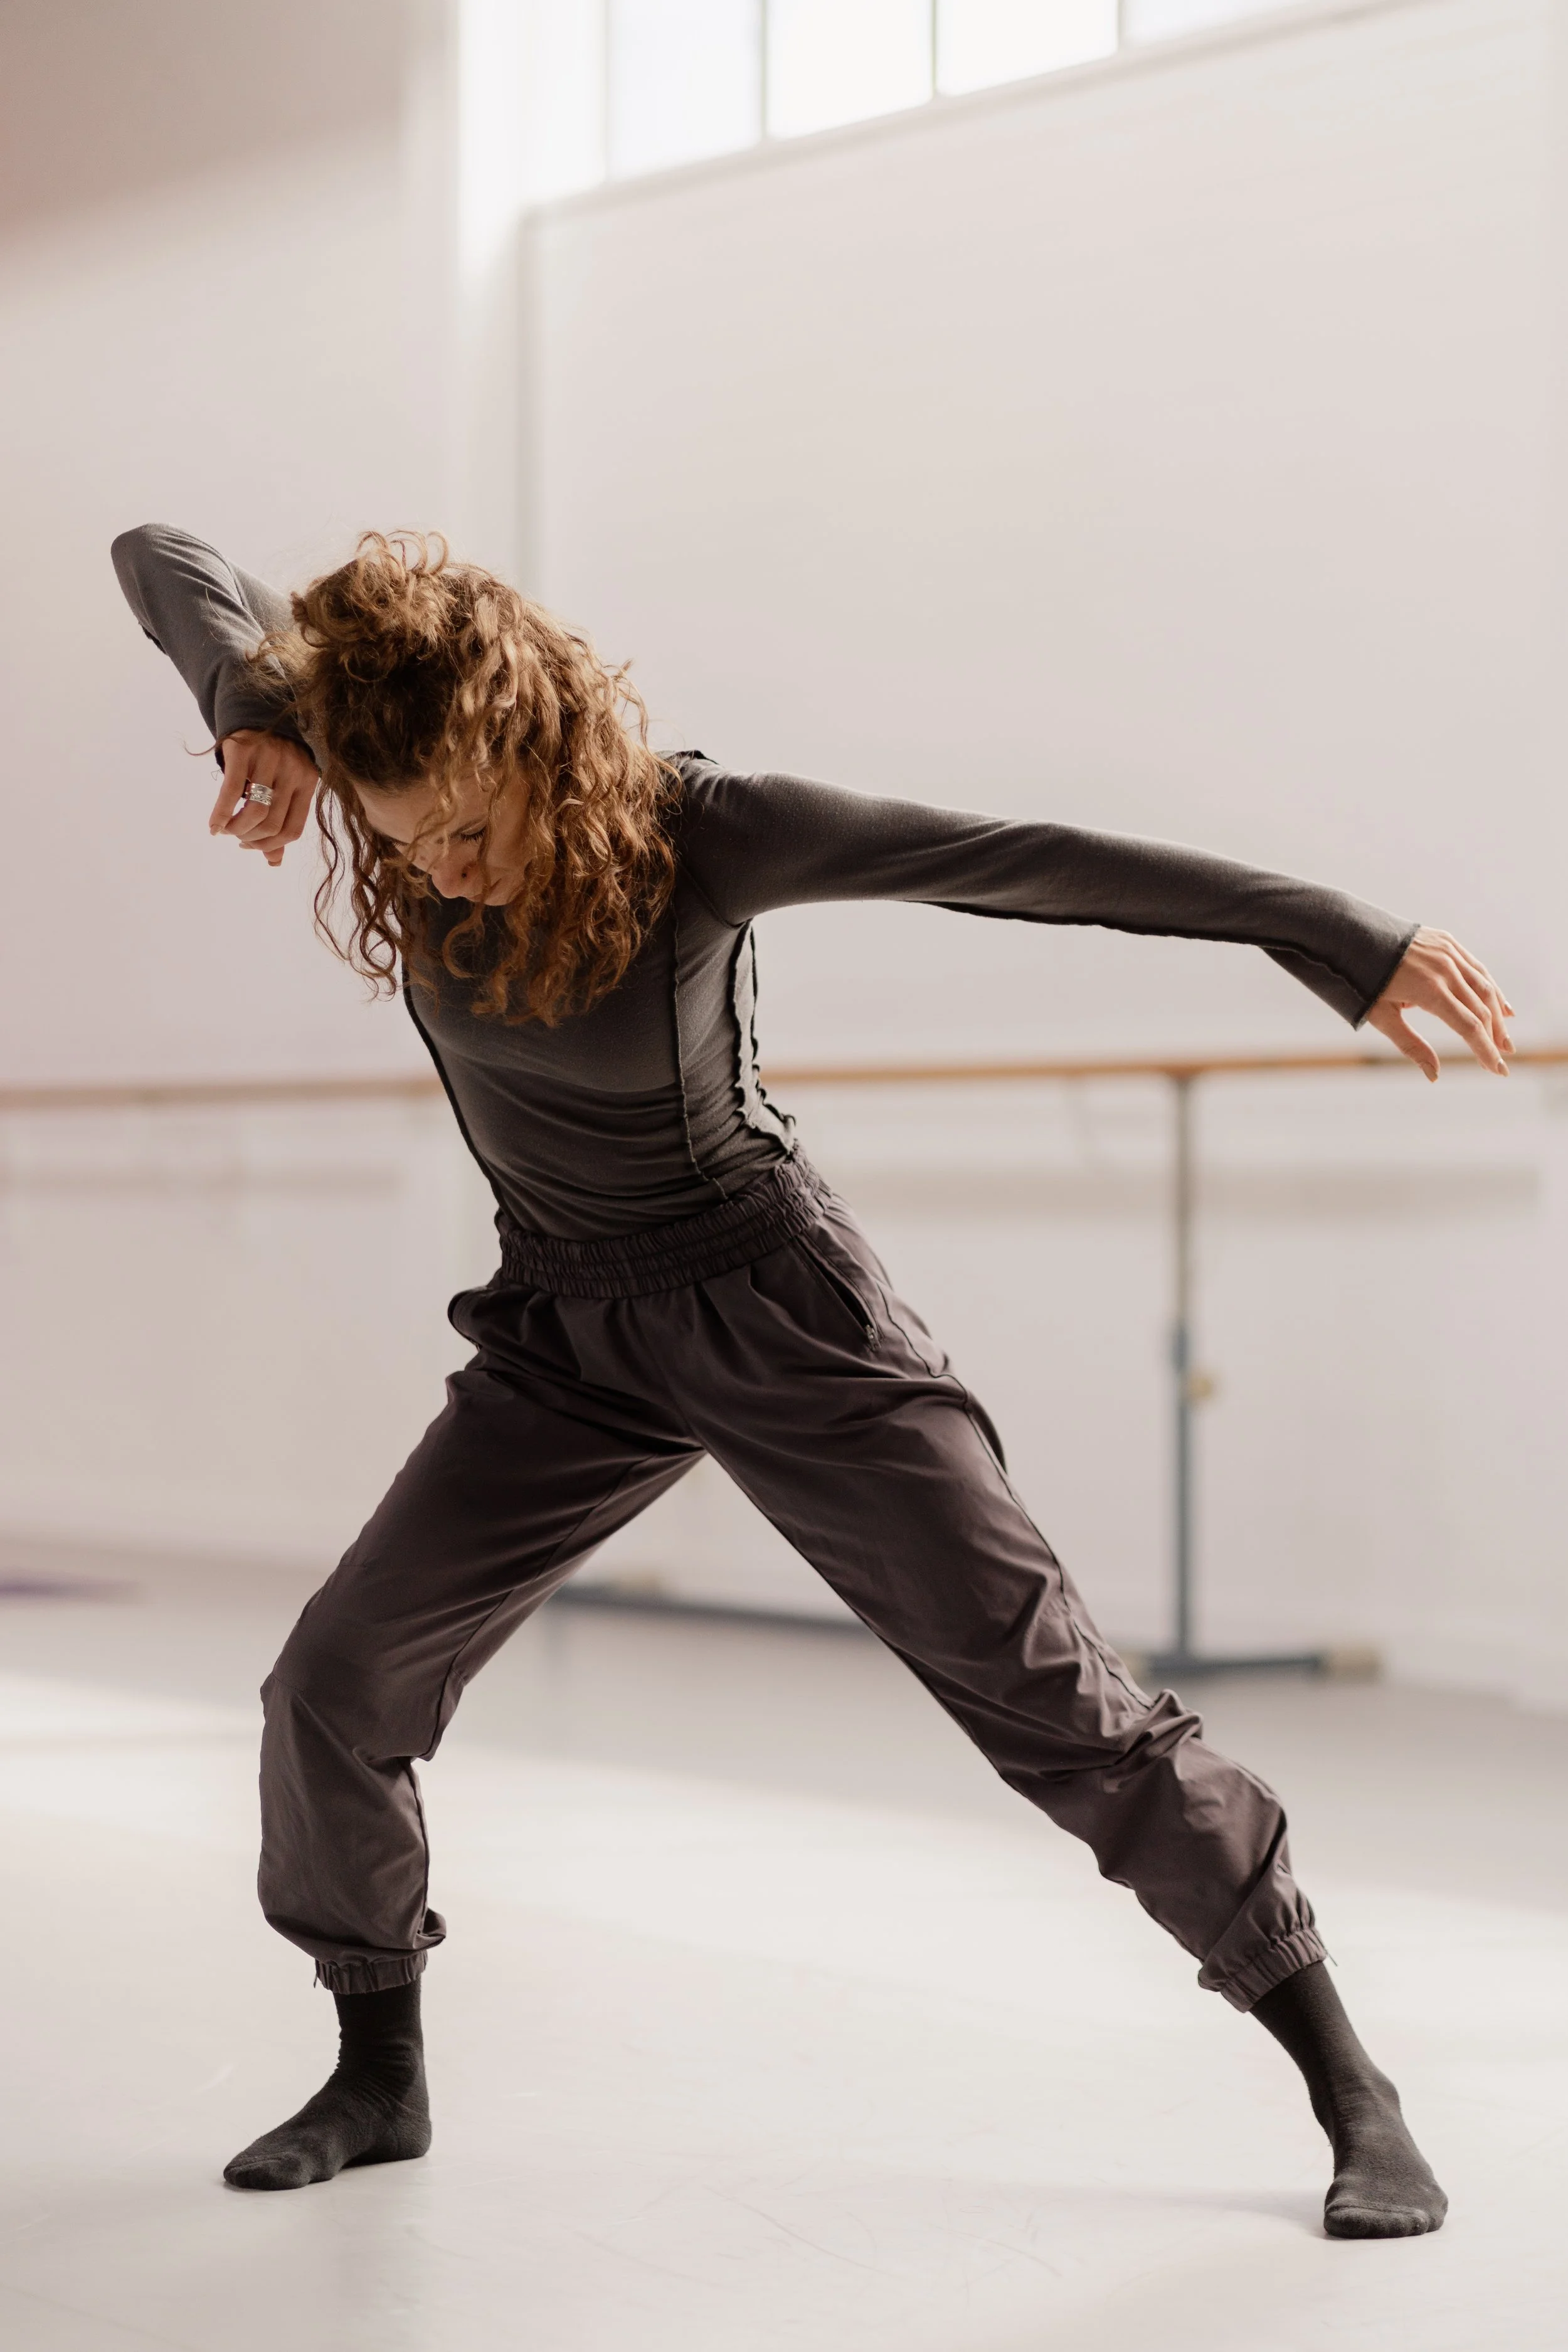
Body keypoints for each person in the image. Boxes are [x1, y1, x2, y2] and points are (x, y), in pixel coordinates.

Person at [112, 521, 1512, 2235]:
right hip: (563, 1327)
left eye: (472, 831)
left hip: (771, 1303)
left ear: (538, 744)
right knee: (332, 1684)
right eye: (406, 849)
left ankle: (1350, 2087)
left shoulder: (703, 831)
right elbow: (159, 550)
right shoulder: (382, 765)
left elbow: (1016, 856)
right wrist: (254, 697)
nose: (447, 873)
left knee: (1060, 1710)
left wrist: (1334, 927)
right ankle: (378, 2069)